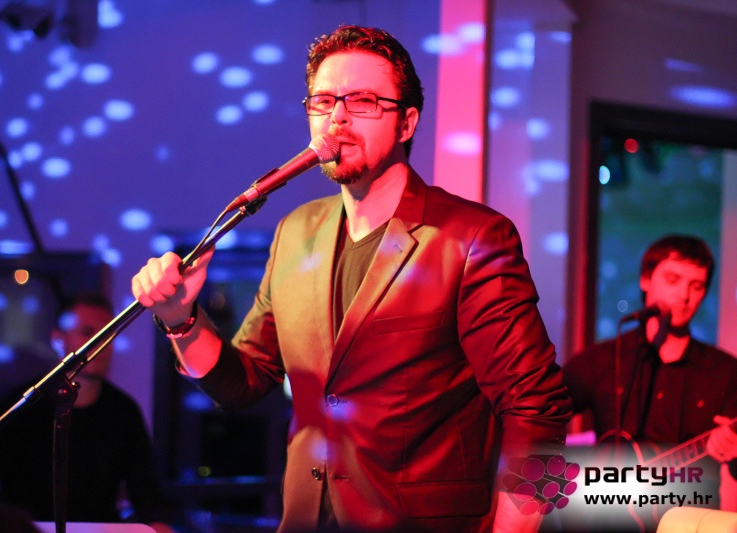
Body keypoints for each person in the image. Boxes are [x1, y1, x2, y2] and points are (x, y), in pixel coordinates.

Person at [132, 25, 571, 532]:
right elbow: (246, 381)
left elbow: (537, 408)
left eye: (363, 101)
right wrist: (180, 319)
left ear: (406, 123)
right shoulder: (296, 232)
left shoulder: (471, 237)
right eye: (323, 101)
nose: (337, 117)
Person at [0, 292, 175, 531]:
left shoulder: (123, 411)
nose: (101, 344)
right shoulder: (23, 404)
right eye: (88, 332)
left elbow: (147, 495)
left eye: (107, 334)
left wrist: (158, 525)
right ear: (57, 338)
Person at [562, 235, 737, 529]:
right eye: (673, 279)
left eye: (696, 286)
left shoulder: (725, 371)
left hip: (688, 523)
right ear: (645, 280)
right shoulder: (603, 360)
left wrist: (734, 451)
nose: (684, 295)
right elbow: (540, 416)